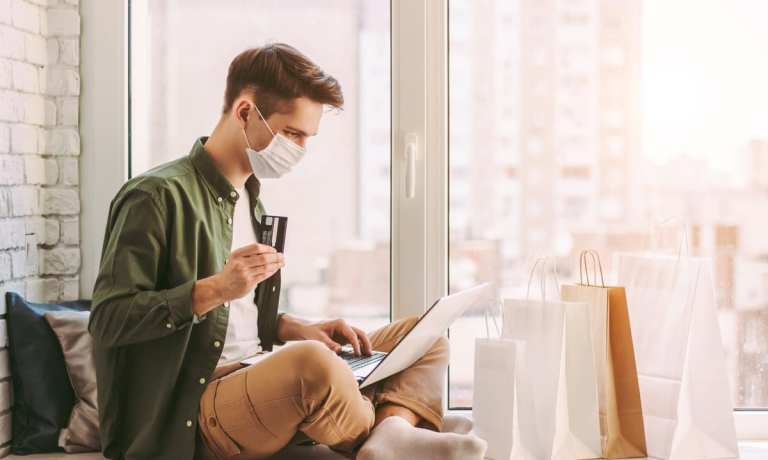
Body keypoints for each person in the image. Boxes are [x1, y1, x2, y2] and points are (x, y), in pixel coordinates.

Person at [88, 43, 487, 460]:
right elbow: (108, 320)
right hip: (195, 407)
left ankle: (392, 434)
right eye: (292, 133)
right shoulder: (156, 196)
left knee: (424, 338)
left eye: (306, 137)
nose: (298, 148)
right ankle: (405, 422)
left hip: (253, 378)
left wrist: (290, 327)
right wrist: (216, 288)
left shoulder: (250, 200)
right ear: (245, 113)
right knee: (314, 366)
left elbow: (236, 323)